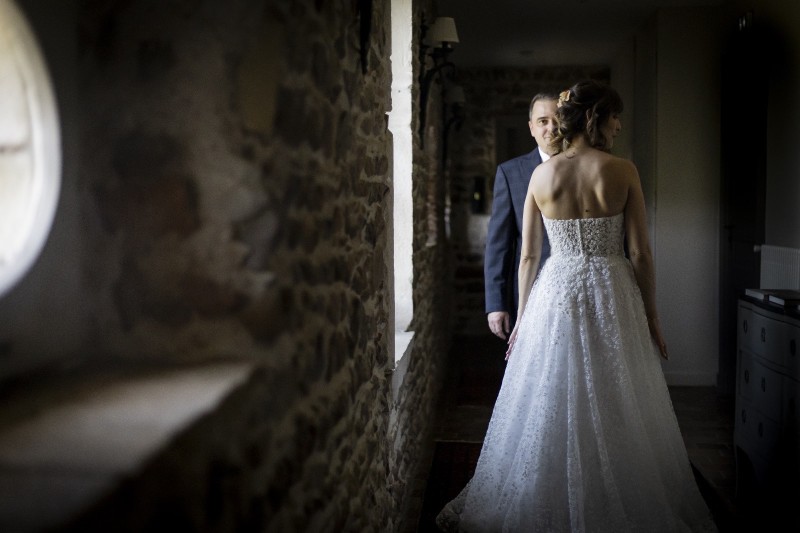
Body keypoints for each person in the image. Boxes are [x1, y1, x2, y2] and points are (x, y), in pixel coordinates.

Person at [437, 80, 716, 532]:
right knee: (616, 389)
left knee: (553, 386)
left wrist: (523, 318)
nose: (619, 125)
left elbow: (528, 256)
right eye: (614, 116)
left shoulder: (540, 176)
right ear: (596, 119)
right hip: (613, 290)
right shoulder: (623, 171)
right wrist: (653, 314)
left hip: (556, 291)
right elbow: (641, 253)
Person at [484, 93, 557, 340]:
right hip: (530, 293)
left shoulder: (587, 168)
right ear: (531, 127)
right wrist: (496, 304)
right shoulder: (510, 172)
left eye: (558, 119)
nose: (551, 128)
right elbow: (499, 243)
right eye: (543, 121)